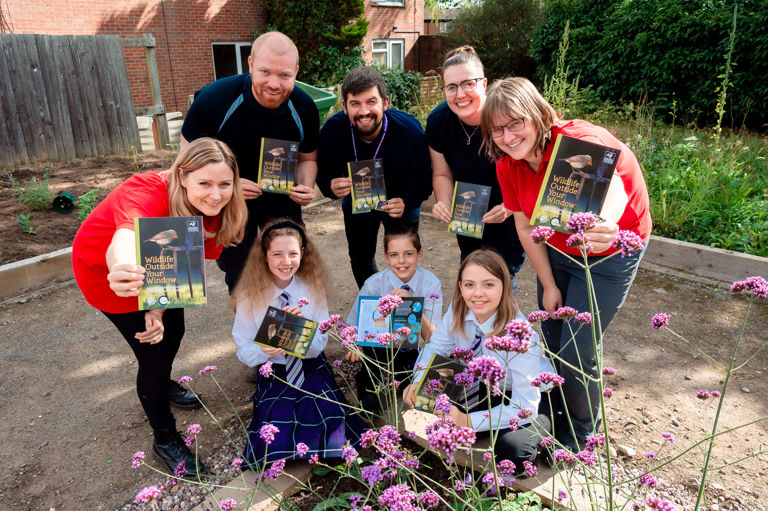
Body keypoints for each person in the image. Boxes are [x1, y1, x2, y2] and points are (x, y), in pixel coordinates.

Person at [481, 77, 652, 451]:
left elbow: (615, 188)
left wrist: (604, 221)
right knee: (555, 336)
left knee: (579, 350)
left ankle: (582, 436)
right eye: (498, 130)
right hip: (557, 247)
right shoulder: (508, 166)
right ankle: (558, 414)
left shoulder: (578, 141)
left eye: (516, 123)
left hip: (611, 251)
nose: (508, 137)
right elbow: (525, 225)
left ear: (538, 115)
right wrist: (549, 284)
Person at [71, 138, 248, 478]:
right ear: (182, 176)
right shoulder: (144, 193)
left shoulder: (217, 207)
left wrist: (157, 306)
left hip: (161, 265)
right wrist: (122, 270)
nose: (216, 194)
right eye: (205, 183)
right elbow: (123, 241)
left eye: (225, 184)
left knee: (174, 329)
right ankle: (164, 437)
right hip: (108, 274)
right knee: (152, 352)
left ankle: (164, 383)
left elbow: (178, 259)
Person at [181, 31, 320, 292]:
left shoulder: (305, 108)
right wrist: (230, 187)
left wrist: (305, 185)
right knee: (240, 273)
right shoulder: (214, 99)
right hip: (228, 204)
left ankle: (285, 324)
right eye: (265, 72)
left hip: (282, 201)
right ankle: (248, 329)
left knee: (290, 268)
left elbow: (308, 158)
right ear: (251, 64)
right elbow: (185, 167)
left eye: (285, 75)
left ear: (296, 72)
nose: (274, 84)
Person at [231, 218, 366, 466]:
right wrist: (264, 349)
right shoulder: (249, 296)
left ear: (302, 254)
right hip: (274, 369)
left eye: (293, 253)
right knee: (273, 436)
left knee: (329, 420)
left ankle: (322, 453)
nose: (286, 261)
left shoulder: (312, 289)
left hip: (310, 365)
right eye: (277, 254)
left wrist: (303, 331)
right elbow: (243, 348)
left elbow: (319, 346)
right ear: (264, 256)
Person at [404, 250, 552, 473]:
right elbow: (436, 347)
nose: (478, 294)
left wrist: (467, 421)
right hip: (483, 385)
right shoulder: (458, 309)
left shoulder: (520, 335)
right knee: (441, 420)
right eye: (470, 284)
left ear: (504, 286)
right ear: (460, 286)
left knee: (513, 453)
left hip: (525, 395)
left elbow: (525, 405)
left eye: (489, 284)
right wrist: (419, 380)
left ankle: (550, 419)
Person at [317, 66, 432, 288]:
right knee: (360, 257)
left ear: (385, 103)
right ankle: (374, 302)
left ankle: (403, 303)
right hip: (359, 200)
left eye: (371, 102)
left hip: (399, 202)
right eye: (355, 104)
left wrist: (408, 201)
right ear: (344, 106)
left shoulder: (409, 131)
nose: (364, 111)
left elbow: (424, 179)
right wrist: (330, 186)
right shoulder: (332, 131)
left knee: (403, 258)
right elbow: (323, 173)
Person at [426, 46, 524, 286]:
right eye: (452, 87)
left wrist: (511, 206)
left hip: (507, 213)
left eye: (468, 83)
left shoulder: (506, 116)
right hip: (467, 213)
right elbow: (441, 172)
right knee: (470, 274)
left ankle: (505, 323)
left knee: (500, 279)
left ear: (484, 83)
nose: (460, 94)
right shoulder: (439, 121)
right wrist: (443, 201)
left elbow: (531, 170)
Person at [346, 226, 443, 416]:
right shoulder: (374, 284)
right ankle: (368, 380)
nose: (401, 261)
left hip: (411, 351)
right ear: (386, 257)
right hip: (377, 352)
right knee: (370, 411)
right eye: (394, 255)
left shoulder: (431, 284)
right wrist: (354, 345)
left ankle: (403, 382)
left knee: (417, 401)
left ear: (419, 254)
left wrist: (412, 305)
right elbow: (354, 326)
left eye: (408, 254)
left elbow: (433, 338)